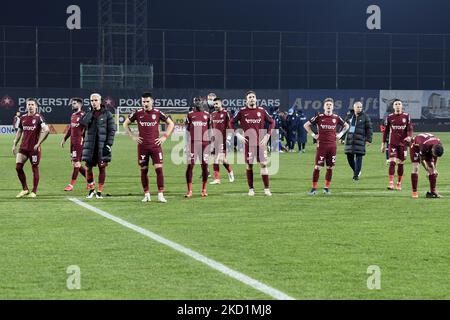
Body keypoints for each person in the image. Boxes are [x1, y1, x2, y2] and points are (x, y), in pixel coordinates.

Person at [123, 92, 175, 203]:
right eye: (143, 102)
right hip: (142, 146)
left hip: (155, 146)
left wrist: (164, 137)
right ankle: (146, 194)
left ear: (152, 101)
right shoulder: (137, 113)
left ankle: (160, 194)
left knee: (159, 169)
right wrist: (132, 136)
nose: (145, 103)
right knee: (143, 170)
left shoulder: (157, 112)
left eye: (147, 101)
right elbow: (125, 124)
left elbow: (171, 124)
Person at [231, 90, 275, 197]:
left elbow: (272, 122)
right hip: (248, 143)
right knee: (249, 166)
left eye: (253, 97)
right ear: (246, 100)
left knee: (264, 165)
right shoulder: (242, 111)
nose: (251, 99)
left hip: (260, 143)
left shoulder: (262, 110)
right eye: (249, 97)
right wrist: (238, 134)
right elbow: (231, 122)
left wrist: (268, 135)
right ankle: (251, 189)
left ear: (256, 99)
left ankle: (266, 189)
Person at [304, 98, 349, 195]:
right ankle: (314, 188)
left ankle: (326, 188)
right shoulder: (319, 117)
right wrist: (313, 135)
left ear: (333, 107)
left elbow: (347, 126)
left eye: (330, 105)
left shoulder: (336, 118)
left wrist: (340, 134)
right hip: (321, 146)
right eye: (327, 104)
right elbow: (306, 125)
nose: (329, 106)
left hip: (332, 146)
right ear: (324, 106)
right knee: (317, 167)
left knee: (330, 167)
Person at [80, 93, 116, 199]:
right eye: (92, 101)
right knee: (88, 168)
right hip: (90, 146)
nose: (94, 102)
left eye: (96, 100)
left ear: (100, 101)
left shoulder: (107, 114)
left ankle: (99, 191)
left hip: (102, 146)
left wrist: (109, 145)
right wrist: (89, 114)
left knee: (102, 168)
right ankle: (91, 189)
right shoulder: (88, 113)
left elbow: (112, 130)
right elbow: (82, 124)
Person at [12, 98, 50, 198]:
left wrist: (38, 143)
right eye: (29, 104)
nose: (30, 106)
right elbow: (19, 131)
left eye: (32, 104)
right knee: (18, 167)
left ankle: (34, 191)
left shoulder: (39, 117)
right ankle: (25, 189)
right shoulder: (23, 118)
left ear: (36, 106)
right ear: (26, 106)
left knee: (34, 168)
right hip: (23, 147)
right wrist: (14, 144)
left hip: (34, 149)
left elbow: (46, 130)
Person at [381, 99, 413, 191]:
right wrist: (383, 144)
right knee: (392, 162)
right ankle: (391, 183)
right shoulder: (390, 117)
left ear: (402, 106)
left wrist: (409, 137)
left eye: (399, 104)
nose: (398, 105)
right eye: (396, 104)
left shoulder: (407, 116)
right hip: (393, 143)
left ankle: (399, 183)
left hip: (403, 144)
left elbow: (410, 128)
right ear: (393, 106)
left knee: (400, 163)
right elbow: (386, 131)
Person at [184, 97, 211, 198]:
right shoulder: (190, 115)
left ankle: (204, 190)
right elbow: (186, 131)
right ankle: (189, 191)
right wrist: (186, 145)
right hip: (192, 144)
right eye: (196, 102)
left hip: (205, 144)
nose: (198, 103)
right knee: (190, 166)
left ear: (203, 103)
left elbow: (210, 130)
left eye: (200, 102)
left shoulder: (207, 115)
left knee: (204, 167)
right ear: (194, 103)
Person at [341, 102, 373, 181]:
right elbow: (344, 127)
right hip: (350, 140)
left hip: (360, 140)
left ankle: (355, 176)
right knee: (349, 158)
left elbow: (369, 128)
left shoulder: (365, 117)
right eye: (358, 107)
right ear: (354, 108)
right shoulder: (349, 116)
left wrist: (368, 139)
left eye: (360, 107)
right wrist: (341, 137)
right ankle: (357, 170)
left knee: (359, 157)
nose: (359, 108)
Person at [61, 98, 88, 191]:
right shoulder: (73, 115)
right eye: (72, 103)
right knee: (75, 163)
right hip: (72, 142)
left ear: (80, 105)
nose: (72, 105)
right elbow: (70, 129)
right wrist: (64, 139)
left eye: (74, 103)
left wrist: (84, 139)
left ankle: (71, 185)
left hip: (78, 142)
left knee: (76, 163)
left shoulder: (83, 115)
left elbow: (87, 129)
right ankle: (90, 181)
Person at [409, 133, 444, 198]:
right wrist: (427, 170)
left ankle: (433, 192)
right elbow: (422, 160)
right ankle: (414, 192)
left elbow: (435, 157)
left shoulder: (438, 144)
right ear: (433, 150)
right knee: (416, 167)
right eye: (433, 154)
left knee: (432, 170)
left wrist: (434, 169)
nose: (434, 156)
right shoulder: (424, 146)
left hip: (427, 146)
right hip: (415, 147)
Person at [209, 97, 235, 185]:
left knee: (219, 159)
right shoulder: (212, 114)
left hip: (223, 140)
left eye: (217, 104)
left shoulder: (226, 113)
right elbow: (212, 128)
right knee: (218, 159)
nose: (215, 105)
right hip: (214, 140)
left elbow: (231, 126)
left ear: (221, 103)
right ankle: (224, 175)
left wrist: (229, 139)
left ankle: (223, 175)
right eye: (214, 104)